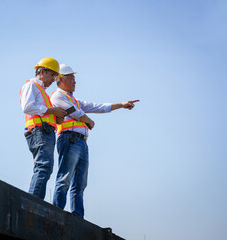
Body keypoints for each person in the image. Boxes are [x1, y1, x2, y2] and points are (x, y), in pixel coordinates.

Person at [50, 63, 139, 218]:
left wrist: (122, 105)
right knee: (65, 179)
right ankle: (56, 213)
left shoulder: (74, 100)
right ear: (61, 79)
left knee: (80, 184)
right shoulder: (58, 96)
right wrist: (89, 121)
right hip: (69, 139)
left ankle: (77, 217)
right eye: (71, 78)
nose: (75, 81)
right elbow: (76, 113)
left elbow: (98, 106)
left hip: (81, 142)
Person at [20, 57, 67, 200]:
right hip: (40, 131)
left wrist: (57, 117)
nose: (54, 79)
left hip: (44, 131)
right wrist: (52, 111)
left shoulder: (40, 90)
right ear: (42, 72)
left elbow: (42, 112)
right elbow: (27, 107)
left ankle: (34, 202)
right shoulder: (32, 86)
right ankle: (33, 203)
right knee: (43, 167)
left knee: (44, 167)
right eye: (52, 75)